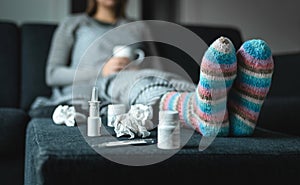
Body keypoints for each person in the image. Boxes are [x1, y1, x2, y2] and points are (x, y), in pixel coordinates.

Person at [31, 0, 274, 137]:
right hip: (97, 89)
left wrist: (142, 67)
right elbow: (52, 74)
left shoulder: (138, 27)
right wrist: (101, 72)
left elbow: (159, 68)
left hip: (139, 79)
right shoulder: (73, 24)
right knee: (133, 81)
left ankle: (228, 116)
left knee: (162, 78)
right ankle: (204, 112)